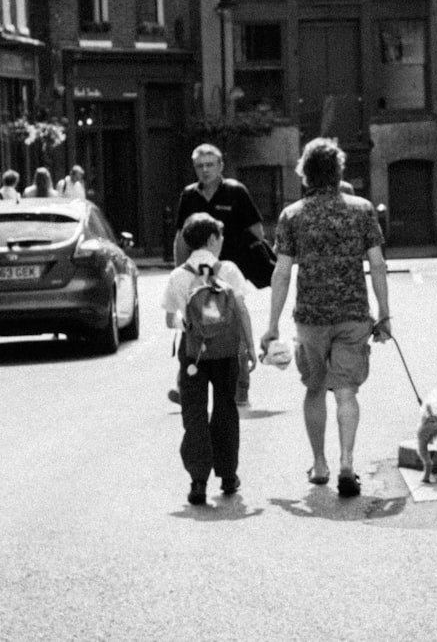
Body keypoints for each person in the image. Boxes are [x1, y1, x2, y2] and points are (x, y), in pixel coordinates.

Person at [260, 137, 391, 499]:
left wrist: (272, 325)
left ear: (305, 173)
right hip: (353, 316)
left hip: (311, 319)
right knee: (346, 392)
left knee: (315, 389)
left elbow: (282, 273)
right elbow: (377, 265)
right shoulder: (362, 209)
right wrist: (384, 313)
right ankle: (347, 462)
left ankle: (320, 464)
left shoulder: (292, 215)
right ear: (339, 172)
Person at [161, 213, 256, 506]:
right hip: (227, 351)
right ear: (213, 239)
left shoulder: (179, 276)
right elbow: (240, 310)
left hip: (193, 354)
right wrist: (250, 347)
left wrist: (190, 325)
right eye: (221, 237)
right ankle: (228, 476)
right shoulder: (228, 270)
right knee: (226, 408)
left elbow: (169, 320)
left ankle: (198, 480)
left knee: (194, 413)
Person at [170, 144, 265, 407]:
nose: (205, 170)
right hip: (196, 275)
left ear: (220, 166)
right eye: (200, 166)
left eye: (210, 164)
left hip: (228, 272)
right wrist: (181, 270)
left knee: (232, 326)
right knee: (195, 327)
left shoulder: (236, 192)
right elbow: (180, 237)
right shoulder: (189, 195)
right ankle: (185, 384)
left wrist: (254, 262)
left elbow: (257, 232)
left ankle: (240, 386)